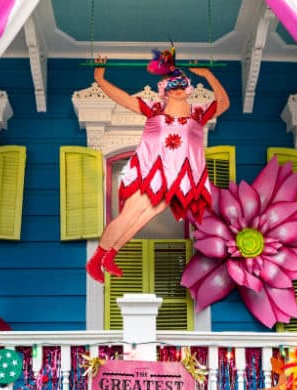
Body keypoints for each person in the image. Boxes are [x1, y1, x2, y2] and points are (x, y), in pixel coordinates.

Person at [86, 49, 230, 282]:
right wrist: (100, 79)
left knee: (142, 218)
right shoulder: (154, 110)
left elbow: (223, 103)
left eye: (182, 84)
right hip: (153, 174)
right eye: (173, 86)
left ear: (188, 87)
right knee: (130, 213)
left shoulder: (198, 115)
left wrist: (208, 74)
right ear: (165, 91)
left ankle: (110, 255)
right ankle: (96, 261)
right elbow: (122, 98)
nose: (178, 88)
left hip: (179, 179)